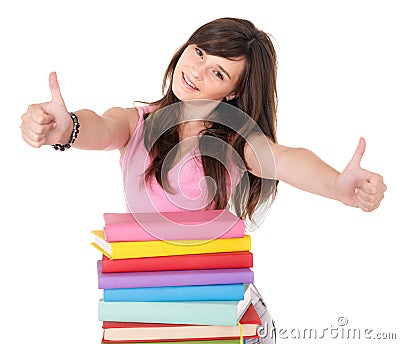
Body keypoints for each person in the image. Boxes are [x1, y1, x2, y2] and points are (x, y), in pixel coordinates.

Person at [20, 17, 386, 343]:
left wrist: (337, 185)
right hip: (147, 301)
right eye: (199, 53)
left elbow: (284, 158)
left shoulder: (235, 141)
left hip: (220, 308)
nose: (197, 71)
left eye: (218, 72)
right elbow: (101, 126)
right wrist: (66, 129)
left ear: (234, 92)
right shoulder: (136, 123)